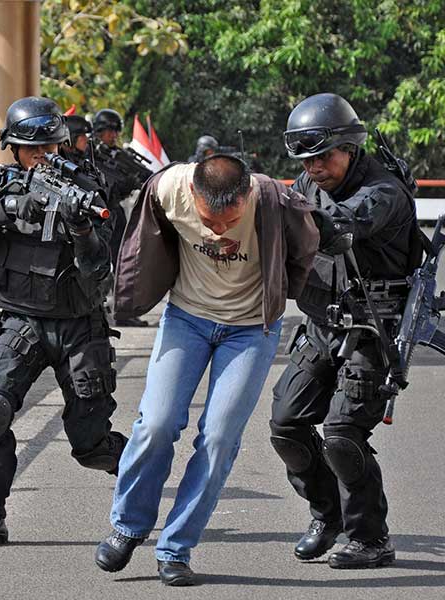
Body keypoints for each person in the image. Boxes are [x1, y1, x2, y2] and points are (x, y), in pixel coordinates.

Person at [94, 154, 319, 585]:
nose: (217, 230)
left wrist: (287, 294)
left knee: (218, 437)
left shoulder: (271, 198)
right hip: (186, 317)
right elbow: (139, 240)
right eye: (208, 221)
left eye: (228, 222)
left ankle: (175, 548)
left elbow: (309, 240)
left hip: (251, 329)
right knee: (155, 424)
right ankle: (128, 526)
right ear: (192, 194)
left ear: (246, 195)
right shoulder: (167, 189)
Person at [0, 96, 127, 550]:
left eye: (50, 148)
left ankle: (140, 479)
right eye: (32, 150)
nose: (42, 157)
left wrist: (82, 232)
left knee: (91, 445)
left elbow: (101, 267)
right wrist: (5, 209)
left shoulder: (88, 188)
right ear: (14, 149)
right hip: (20, 320)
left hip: (78, 326)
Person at [270, 93, 420, 569]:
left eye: (322, 156)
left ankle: (370, 538)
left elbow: (340, 226)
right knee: (287, 426)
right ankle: (326, 516)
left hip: (374, 330)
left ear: (350, 147)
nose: (312, 167)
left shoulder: (384, 192)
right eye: (304, 159)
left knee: (341, 434)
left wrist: (284, 216)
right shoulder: (308, 182)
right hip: (322, 324)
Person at [91, 108, 149, 327]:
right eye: (109, 131)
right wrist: (122, 184)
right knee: (100, 264)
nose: (113, 136)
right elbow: (102, 183)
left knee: (124, 261)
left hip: (115, 213)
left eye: (116, 131)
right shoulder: (92, 155)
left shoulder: (116, 155)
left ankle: (123, 310)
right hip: (99, 215)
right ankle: (100, 309)